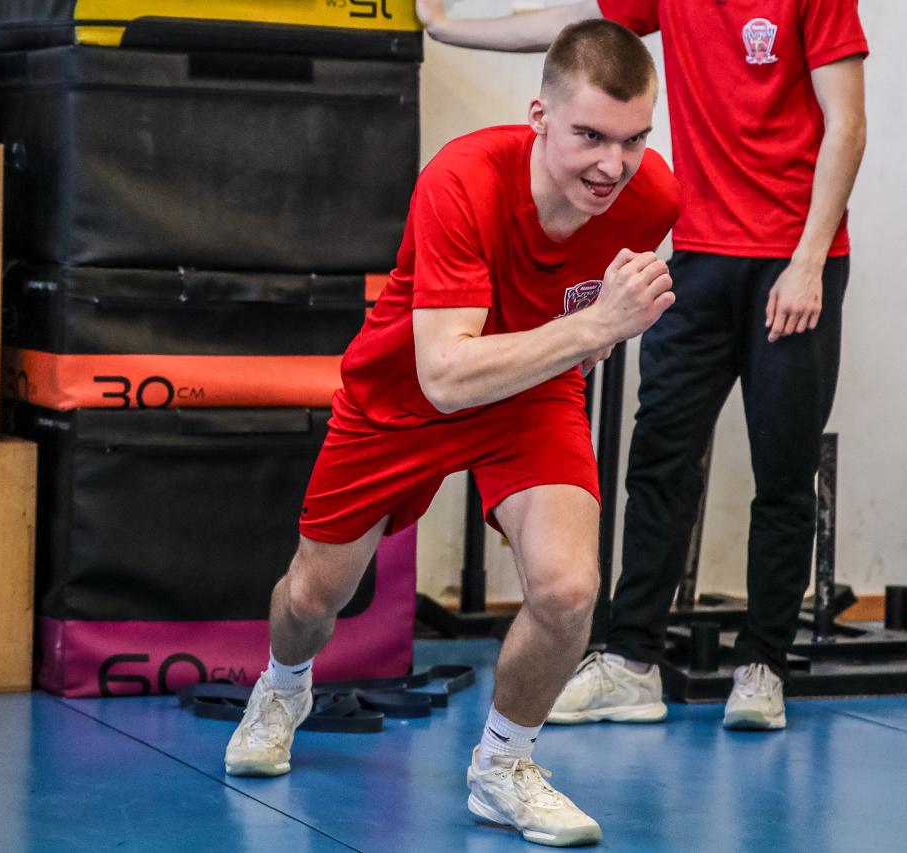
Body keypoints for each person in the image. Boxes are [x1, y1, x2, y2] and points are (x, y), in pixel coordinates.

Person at [222, 19, 680, 846]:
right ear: (539, 115)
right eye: (590, 136)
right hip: (405, 395)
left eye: (634, 139)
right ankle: (284, 685)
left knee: (568, 590)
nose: (613, 166)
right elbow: (445, 373)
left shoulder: (652, 198)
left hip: (532, 395)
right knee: (313, 598)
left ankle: (503, 765)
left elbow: (592, 315)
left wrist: (596, 331)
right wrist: (593, 329)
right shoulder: (462, 179)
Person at [416, 0, 867, 729]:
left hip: (793, 262)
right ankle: (631, 663)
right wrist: (447, 27)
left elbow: (846, 122)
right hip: (699, 257)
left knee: (784, 471)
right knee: (659, 459)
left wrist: (809, 260)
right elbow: (569, 24)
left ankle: (764, 666)